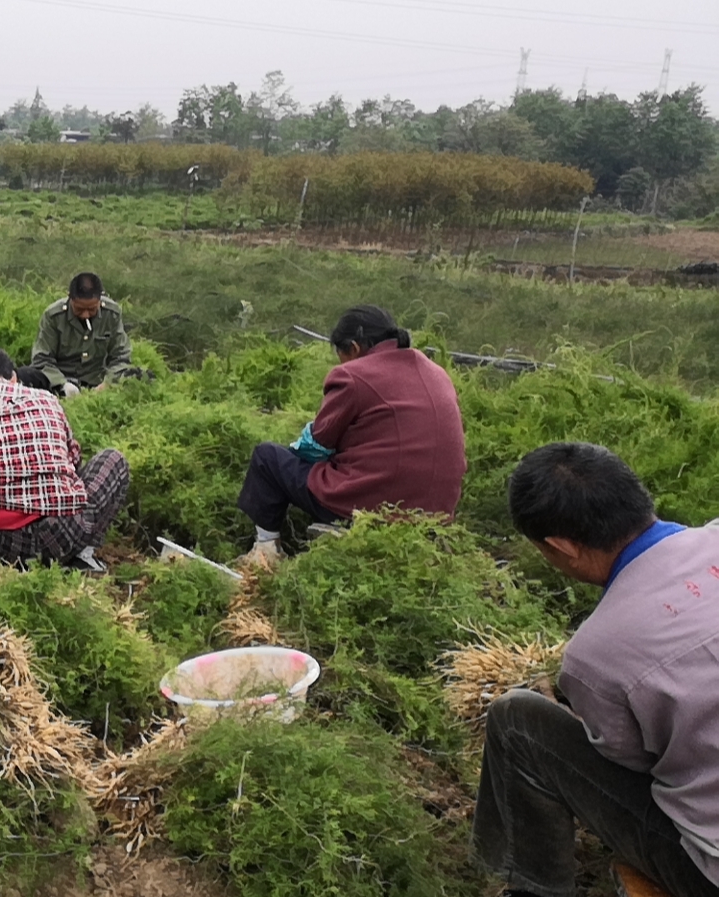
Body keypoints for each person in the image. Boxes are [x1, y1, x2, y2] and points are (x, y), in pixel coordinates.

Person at [474, 443, 719, 897]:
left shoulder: (596, 652)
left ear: (561, 546)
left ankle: (533, 888)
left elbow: (629, 762)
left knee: (517, 722)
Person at [235, 305, 466, 568]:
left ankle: (266, 554)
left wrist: (301, 448)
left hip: (371, 507)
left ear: (354, 348)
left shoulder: (354, 375)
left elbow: (317, 444)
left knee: (268, 458)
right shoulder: (437, 373)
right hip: (436, 514)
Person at [0, 346, 130, 572]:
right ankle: (82, 555)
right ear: (14, 377)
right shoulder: (48, 400)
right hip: (62, 533)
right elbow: (73, 461)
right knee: (112, 459)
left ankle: (25, 566)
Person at [31, 272, 136, 395]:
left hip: (98, 382)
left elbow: (121, 356)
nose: (85, 314)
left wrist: (109, 382)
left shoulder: (111, 314)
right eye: (79, 309)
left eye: (92, 309)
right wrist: (61, 383)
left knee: (142, 378)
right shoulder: (53, 316)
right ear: (70, 298)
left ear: (99, 299)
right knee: (26, 375)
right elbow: (41, 359)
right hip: (59, 382)